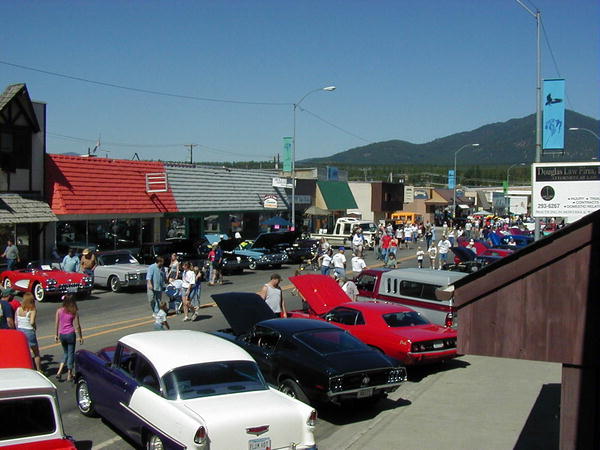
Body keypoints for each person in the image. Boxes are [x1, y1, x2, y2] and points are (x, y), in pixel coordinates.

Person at [55, 295, 83, 382]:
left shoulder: (59, 311)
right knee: (71, 353)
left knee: (66, 353)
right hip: (70, 334)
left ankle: (59, 371)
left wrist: (56, 335)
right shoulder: (74, 311)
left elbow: (57, 323)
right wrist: (80, 336)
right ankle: (69, 374)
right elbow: (78, 326)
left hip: (62, 334)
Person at [15, 292, 41, 371]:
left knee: (23, 352)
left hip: (20, 331)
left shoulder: (18, 309)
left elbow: (16, 322)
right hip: (29, 331)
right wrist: (34, 327)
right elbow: (32, 322)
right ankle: (39, 370)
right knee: (36, 352)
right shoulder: (32, 310)